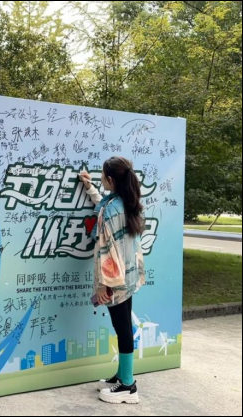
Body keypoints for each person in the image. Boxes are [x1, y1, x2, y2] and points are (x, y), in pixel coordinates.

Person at [79, 156, 146, 404]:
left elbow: (109, 250)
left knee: (122, 328)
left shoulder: (112, 209)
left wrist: (103, 285)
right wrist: (89, 188)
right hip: (128, 276)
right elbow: (104, 205)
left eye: (101, 177)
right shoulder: (126, 201)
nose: (100, 180)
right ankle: (122, 375)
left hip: (115, 280)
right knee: (123, 326)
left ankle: (128, 385)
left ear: (110, 179)